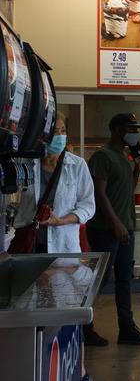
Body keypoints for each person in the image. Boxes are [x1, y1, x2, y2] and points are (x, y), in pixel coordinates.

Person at [15, 111, 96, 380]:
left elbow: (88, 205)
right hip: (30, 249)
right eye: (53, 132)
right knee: (30, 310)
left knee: (67, 309)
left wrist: (63, 220)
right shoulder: (25, 163)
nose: (58, 136)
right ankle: (35, 366)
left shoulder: (77, 165)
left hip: (63, 249)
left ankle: (79, 370)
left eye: (62, 131)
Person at [86, 113, 140, 346]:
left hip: (125, 227)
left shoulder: (124, 156)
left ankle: (127, 328)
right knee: (100, 281)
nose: (136, 134)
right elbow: (99, 193)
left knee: (125, 280)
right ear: (118, 130)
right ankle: (85, 327)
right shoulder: (102, 156)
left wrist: (137, 167)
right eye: (131, 129)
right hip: (106, 229)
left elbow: (128, 188)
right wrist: (116, 223)